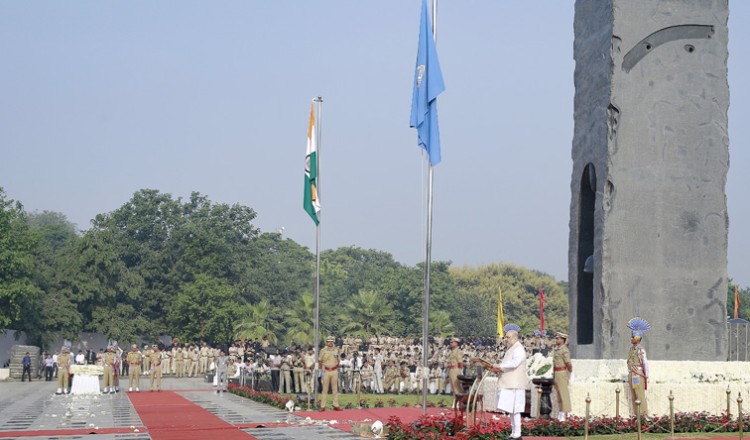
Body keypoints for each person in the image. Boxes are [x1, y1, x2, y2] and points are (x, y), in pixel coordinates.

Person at [491, 324, 528, 440]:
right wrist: (498, 368)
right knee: (511, 410)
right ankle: (514, 433)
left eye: (508, 337)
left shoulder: (518, 349)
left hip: (515, 384)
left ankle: (518, 434)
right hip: (510, 383)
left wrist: (500, 366)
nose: (506, 340)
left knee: (515, 409)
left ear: (514, 337)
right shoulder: (512, 348)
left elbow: (515, 363)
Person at [627, 317, 650, 416]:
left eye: (633, 337)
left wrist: (646, 375)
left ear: (638, 338)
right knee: (634, 396)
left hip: (638, 373)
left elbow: (645, 363)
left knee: (639, 395)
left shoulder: (641, 350)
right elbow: (628, 361)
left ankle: (643, 415)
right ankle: (636, 415)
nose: (632, 338)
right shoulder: (631, 349)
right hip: (632, 373)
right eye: (632, 336)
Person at [552, 332, 573, 421]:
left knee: (564, 394)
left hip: (562, 372)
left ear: (563, 340)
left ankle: (564, 413)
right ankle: (560, 412)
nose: (556, 340)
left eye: (558, 338)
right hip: (556, 373)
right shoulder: (557, 350)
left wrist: (570, 373)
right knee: (559, 394)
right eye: (556, 338)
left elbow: (568, 363)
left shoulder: (564, 350)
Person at [318, 336, 342, 411]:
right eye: (329, 341)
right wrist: (322, 369)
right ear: (326, 342)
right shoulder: (323, 350)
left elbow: (339, 360)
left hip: (334, 370)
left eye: (331, 341)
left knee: (335, 389)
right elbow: (320, 361)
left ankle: (336, 405)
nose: (330, 342)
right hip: (326, 371)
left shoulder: (336, 350)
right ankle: (322, 406)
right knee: (325, 389)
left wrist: (337, 365)